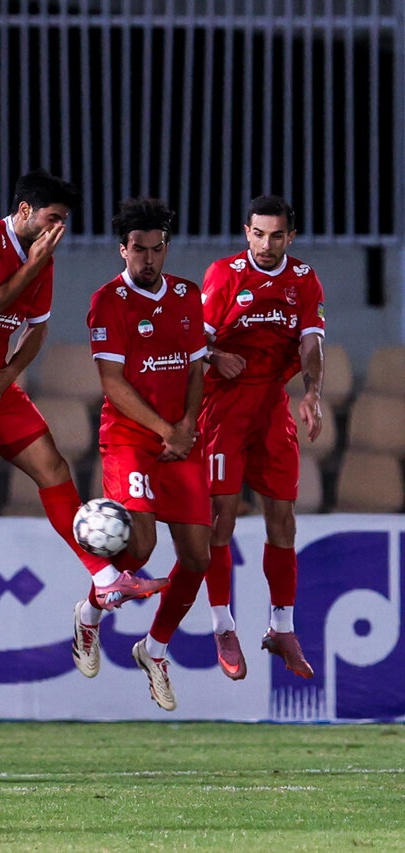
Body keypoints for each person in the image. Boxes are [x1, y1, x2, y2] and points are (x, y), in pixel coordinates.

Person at [0, 170, 166, 665]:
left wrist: (10, 373)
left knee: (53, 467)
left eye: (64, 221)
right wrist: (32, 264)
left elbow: (35, 329)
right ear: (25, 211)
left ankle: (106, 579)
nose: (58, 231)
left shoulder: (41, 262)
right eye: (53, 219)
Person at [74, 198, 211, 712]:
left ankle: (153, 650)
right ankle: (90, 614)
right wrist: (166, 430)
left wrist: (189, 426)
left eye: (156, 249)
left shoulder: (186, 295)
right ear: (122, 250)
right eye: (138, 250)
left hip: (180, 437)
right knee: (142, 547)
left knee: (198, 557)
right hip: (132, 438)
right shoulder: (108, 301)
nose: (148, 259)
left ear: (165, 248)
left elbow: (197, 369)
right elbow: (113, 383)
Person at [198, 195, 324, 680]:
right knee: (220, 520)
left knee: (284, 519)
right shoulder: (224, 274)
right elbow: (194, 338)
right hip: (224, 406)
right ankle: (223, 624)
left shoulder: (303, 280)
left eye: (276, 235)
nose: (266, 244)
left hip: (271, 402)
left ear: (289, 237)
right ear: (246, 231)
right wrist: (213, 356)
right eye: (258, 233)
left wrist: (312, 392)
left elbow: (312, 339)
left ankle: (282, 627)